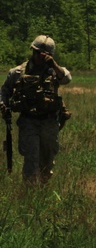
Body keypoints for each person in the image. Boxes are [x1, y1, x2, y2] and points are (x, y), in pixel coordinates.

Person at [0, 35, 73, 183]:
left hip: (49, 122)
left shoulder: (55, 71)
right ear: (32, 51)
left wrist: (53, 64)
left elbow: (67, 79)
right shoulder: (17, 72)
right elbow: (4, 91)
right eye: (38, 53)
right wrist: (3, 104)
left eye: (45, 54)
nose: (40, 57)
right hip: (28, 122)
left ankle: (42, 193)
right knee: (31, 161)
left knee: (47, 162)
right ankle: (29, 193)